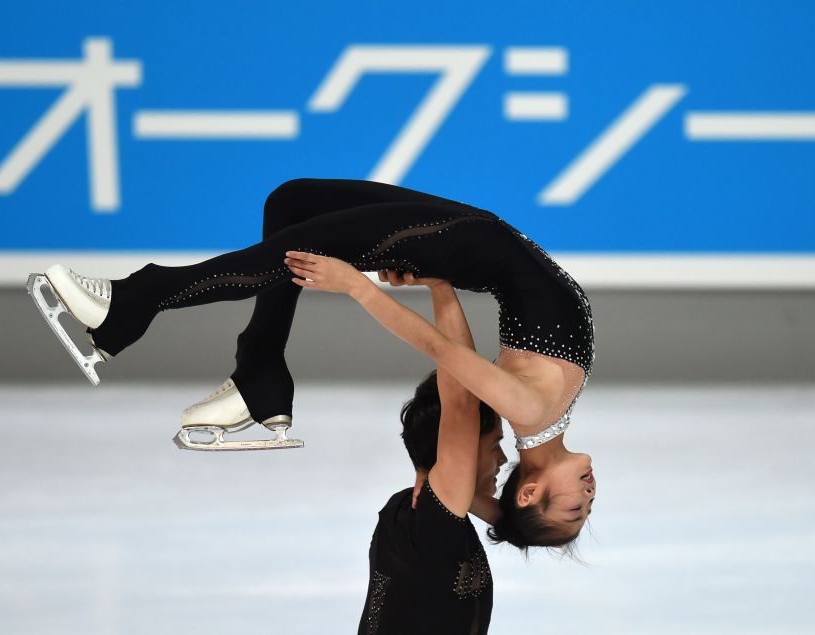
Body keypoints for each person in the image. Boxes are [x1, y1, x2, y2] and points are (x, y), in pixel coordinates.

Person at [34, 178, 596, 549]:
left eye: (574, 510)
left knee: (289, 247)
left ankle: (131, 304)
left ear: (528, 493)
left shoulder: (527, 407)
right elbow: (512, 515)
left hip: (470, 242)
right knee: (293, 205)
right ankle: (259, 375)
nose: (589, 499)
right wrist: (514, 523)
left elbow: (444, 354)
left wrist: (358, 288)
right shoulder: (545, 417)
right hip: (477, 240)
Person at [358, 271, 505, 634]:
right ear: (463, 446)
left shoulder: (414, 510)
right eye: (494, 445)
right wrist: (440, 287)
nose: (503, 460)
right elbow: (462, 397)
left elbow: (518, 526)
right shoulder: (433, 522)